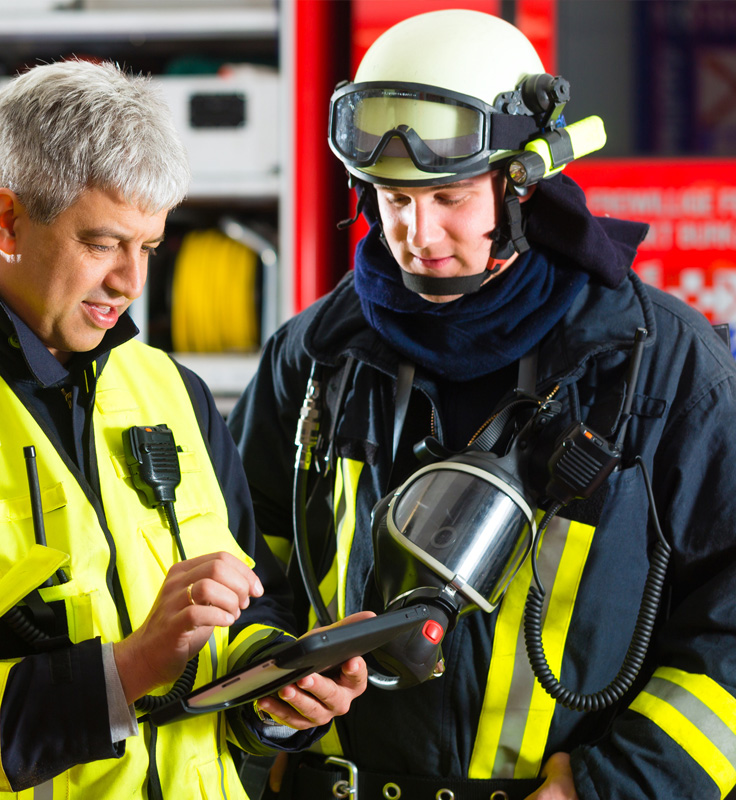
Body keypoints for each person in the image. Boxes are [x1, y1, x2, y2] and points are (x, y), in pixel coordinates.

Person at [228, 8, 736, 800]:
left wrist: (613, 787)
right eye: (392, 199)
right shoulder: (319, 355)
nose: (414, 234)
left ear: (522, 185)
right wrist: (271, 681)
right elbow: (239, 558)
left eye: (450, 198)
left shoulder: (660, 366)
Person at [0, 59, 369, 799]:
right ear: (6, 221)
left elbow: (255, 603)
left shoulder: (172, 391)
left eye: (148, 247)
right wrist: (124, 674)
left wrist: (280, 687)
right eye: (103, 243)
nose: (131, 283)